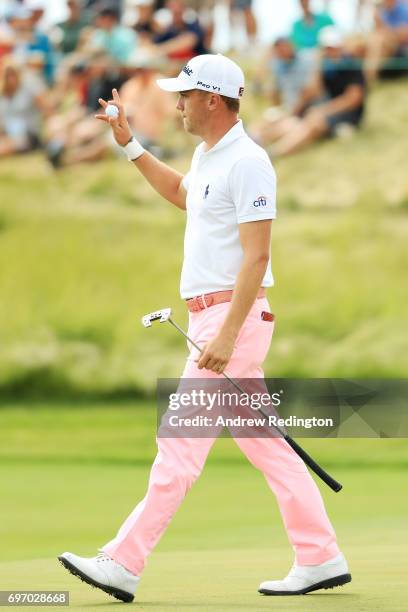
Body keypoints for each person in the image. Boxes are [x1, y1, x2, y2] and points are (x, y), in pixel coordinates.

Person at [57, 53, 351, 603]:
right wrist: (129, 143)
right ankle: (320, 556)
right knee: (268, 447)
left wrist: (226, 335)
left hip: (230, 318)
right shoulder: (208, 155)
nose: (178, 105)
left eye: (185, 96)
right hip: (211, 317)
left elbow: (257, 258)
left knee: (179, 446)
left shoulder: (250, 162)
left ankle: (122, 562)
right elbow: (180, 195)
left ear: (213, 99)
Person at [257, 27, 367, 156]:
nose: (330, 51)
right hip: (330, 110)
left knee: (313, 120)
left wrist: (324, 110)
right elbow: (315, 90)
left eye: (333, 47)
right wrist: (317, 66)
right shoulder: (326, 67)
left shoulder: (350, 64)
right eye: (327, 48)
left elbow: (353, 100)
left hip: (348, 114)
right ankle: (259, 143)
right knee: (292, 122)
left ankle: (273, 153)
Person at [0, 57, 48, 156]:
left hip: (28, 134)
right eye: (8, 75)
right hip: (7, 132)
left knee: (5, 147)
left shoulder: (29, 87)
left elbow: (46, 109)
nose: (10, 78)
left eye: (13, 74)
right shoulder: (2, 94)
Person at [365, 0, 408, 82]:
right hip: (383, 45)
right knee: (370, 43)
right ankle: (369, 77)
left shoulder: (404, 10)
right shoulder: (383, 11)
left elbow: (404, 35)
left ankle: (370, 77)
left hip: (398, 45)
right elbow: (378, 31)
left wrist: (386, 30)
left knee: (377, 42)